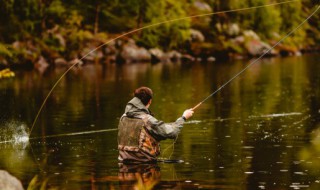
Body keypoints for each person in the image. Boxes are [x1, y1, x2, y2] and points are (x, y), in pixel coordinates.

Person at [118, 86, 194, 163]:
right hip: (144, 166)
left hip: (123, 163)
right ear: (150, 101)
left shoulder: (123, 117)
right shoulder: (147, 120)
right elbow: (172, 132)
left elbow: (157, 127)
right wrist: (183, 117)